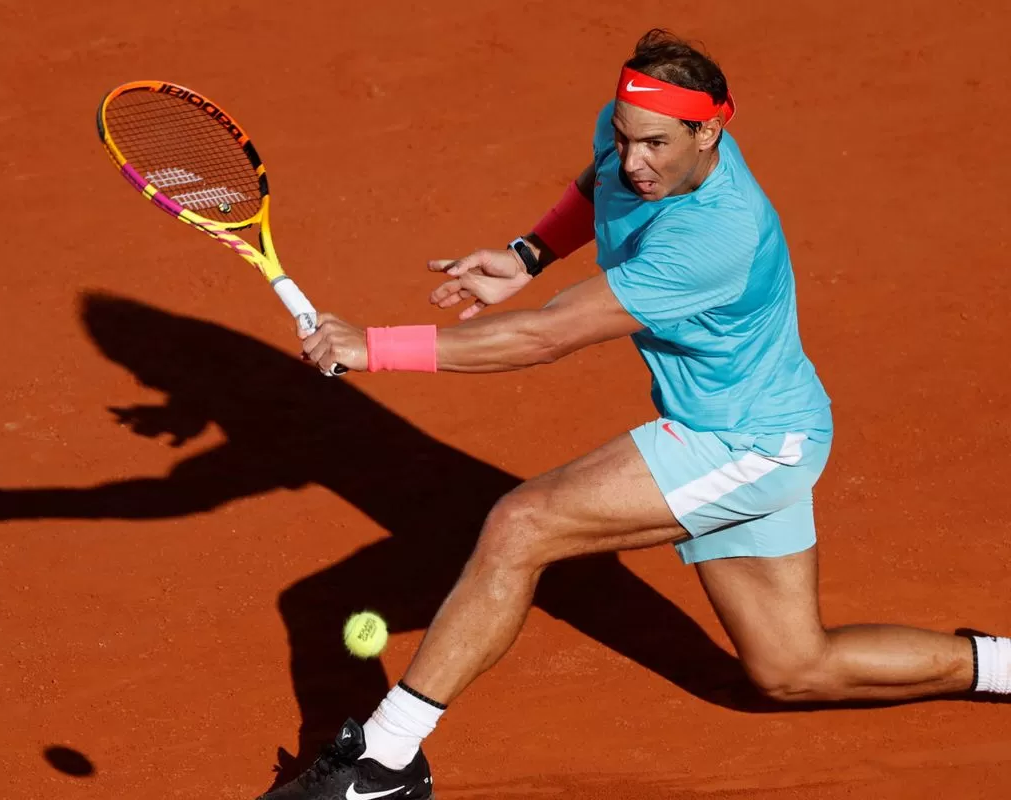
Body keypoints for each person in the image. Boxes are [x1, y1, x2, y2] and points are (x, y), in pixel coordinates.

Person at [258, 28, 1010, 800]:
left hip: (743, 443)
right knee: (792, 669)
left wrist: (373, 348)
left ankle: (383, 767)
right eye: (622, 137)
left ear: (708, 131)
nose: (632, 159)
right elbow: (596, 186)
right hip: (764, 427)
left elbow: (547, 336)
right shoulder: (631, 138)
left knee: (522, 526)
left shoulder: (715, 236)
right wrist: (527, 253)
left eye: (653, 143)